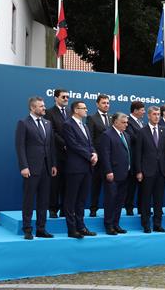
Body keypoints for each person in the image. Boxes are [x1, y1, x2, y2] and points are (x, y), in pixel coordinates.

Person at [15, 96, 57, 240]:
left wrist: (53, 164)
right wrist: (24, 166)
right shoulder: (23, 123)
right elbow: (20, 147)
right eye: (41, 106)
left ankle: (41, 229)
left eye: (44, 106)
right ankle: (27, 229)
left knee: (43, 200)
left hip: (46, 168)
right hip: (31, 169)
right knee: (28, 200)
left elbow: (51, 146)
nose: (44, 108)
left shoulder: (48, 123)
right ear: (33, 108)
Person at [62, 101, 98, 239]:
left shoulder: (85, 125)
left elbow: (90, 144)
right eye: (84, 108)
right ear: (76, 110)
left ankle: (81, 227)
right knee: (71, 200)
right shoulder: (68, 125)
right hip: (75, 168)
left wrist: (94, 153)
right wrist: (90, 156)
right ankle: (72, 229)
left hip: (87, 168)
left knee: (82, 200)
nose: (86, 110)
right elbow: (73, 145)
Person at [135, 106, 165, 233]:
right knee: (145, 199)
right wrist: (138, 171)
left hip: (161, 170)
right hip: (147, 171)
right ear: (149, 116)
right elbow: (138, 153)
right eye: (154, 114)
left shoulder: (164, 130)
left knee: (159, 199)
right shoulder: (142, 131)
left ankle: (157, 224)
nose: (157, 117)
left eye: (158, 114)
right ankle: (146, 224)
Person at [99, 112, 131, 235]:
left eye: (126, 122)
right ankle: (109, 225)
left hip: (125, 173)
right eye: (123, 122)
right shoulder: (107, 135)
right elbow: (105, 155)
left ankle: (116, 224)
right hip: (112, 174)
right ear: (115, 122)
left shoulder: (126, 135)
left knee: (119, 201)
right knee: (110, 200)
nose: (126, 125)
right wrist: (108, 171)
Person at [45, 89, 69, 218]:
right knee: (55, 183)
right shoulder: (49, 112)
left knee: (68, 182)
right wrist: (65, 143)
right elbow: (52, 132)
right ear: (56, 98)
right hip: (56, 154)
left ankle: (65, 209)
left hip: (70, 155)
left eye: (67, 97)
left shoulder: (70, 112)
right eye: (63, 96)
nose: (66, 99)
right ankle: (53, 209)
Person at [86, 94, 112, 217]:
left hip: (111, 159)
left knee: (110, 187)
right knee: (96, 185)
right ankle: (93, 209)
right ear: (97, 104)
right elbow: (90, 138)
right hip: (97, 159)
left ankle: (109, 210)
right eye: (103, 103)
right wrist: (94, 153)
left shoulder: (113, 119)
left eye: (107, 103)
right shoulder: (92, 118)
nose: (106, 105)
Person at [124, 100, 145, 215]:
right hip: (132, 158)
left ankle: (141, 208)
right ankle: (129, 208)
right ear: (135, 111)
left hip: (143, 158)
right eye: (142, 110)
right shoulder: (128, 121)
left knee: (142, 186)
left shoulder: (141, 122)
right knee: (132, 185)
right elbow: (132, 137)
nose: (144, 112)